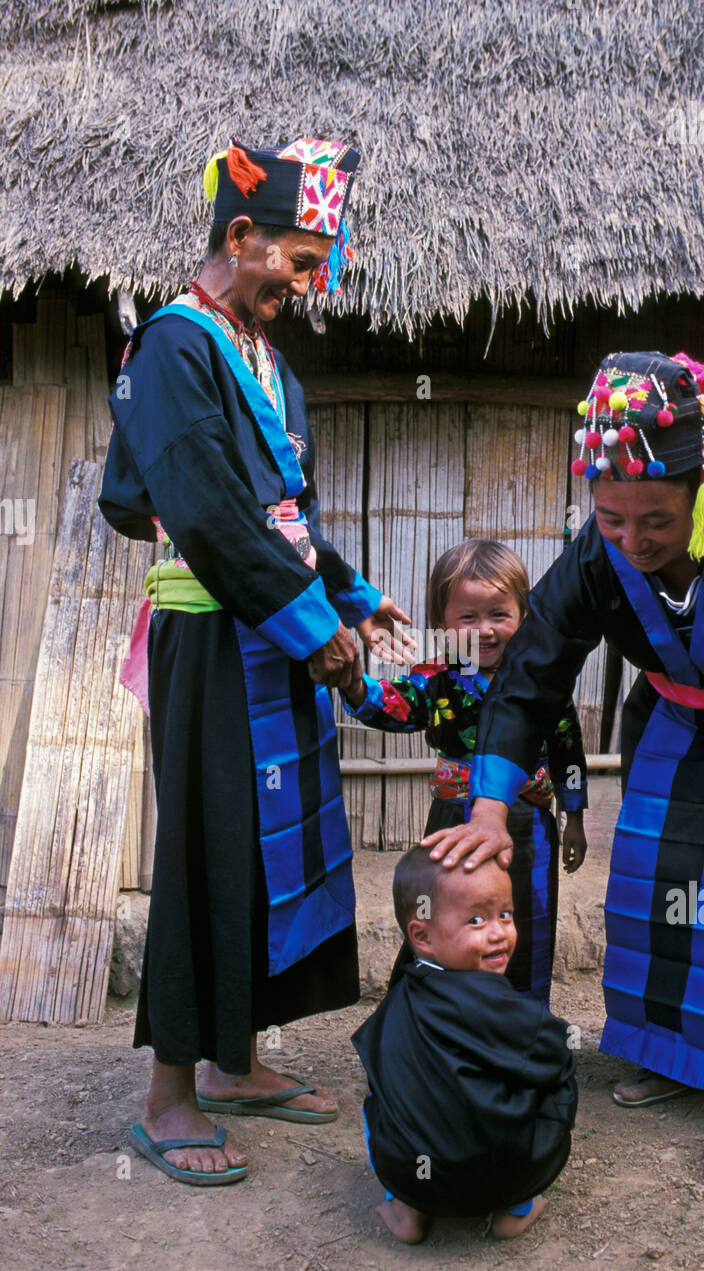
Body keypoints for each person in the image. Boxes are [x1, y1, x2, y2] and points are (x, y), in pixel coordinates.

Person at [423, 349, 704, 1185]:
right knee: (652, 884)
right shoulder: (600, 553)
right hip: (675, 722)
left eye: (652, 518)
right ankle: (666, 1051)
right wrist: (488, 800)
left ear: (698, 483)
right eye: (611, 518)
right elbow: (534, 667)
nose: (631, 539)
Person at [99, 138, 412, 1185]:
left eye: (322, 260)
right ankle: (168, 1097)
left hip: (272, 631)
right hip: (215, 642)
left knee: (262, 847)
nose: (312, 280)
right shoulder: (170, 350)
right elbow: (192, 508)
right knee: (205, 845)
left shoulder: (266, 363)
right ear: (241, 235)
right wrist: (314, 627)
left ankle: (234, 1065)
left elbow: (285, 516)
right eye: (300, 257)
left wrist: (357, 597)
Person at [339, 539, 588, 1005]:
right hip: (452, 822)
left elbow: (567, 750)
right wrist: (354, 684)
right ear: (442, 625)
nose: (486, 630)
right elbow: (396, 708)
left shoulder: (544, 679)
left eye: (500, 614)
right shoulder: (437, 679)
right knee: (446, 917)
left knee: (527, 925)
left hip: (528, 829)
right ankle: (434, 1026)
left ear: (525, 615)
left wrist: (574, 816)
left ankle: (522, 1027)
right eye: (468, 618)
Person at [351, 845, 578, 1242]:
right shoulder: (507, 1009)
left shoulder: (397, 1000)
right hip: (499, 1178)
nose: (499, 933)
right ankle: (514, 1209)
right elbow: (557, 1056)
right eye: (476, 920)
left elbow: (377, 1069)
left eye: (505, 914)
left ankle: (407, 1210)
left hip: (415, 1174)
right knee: (559, 1079)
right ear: (421, 935)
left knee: (377, 1102)